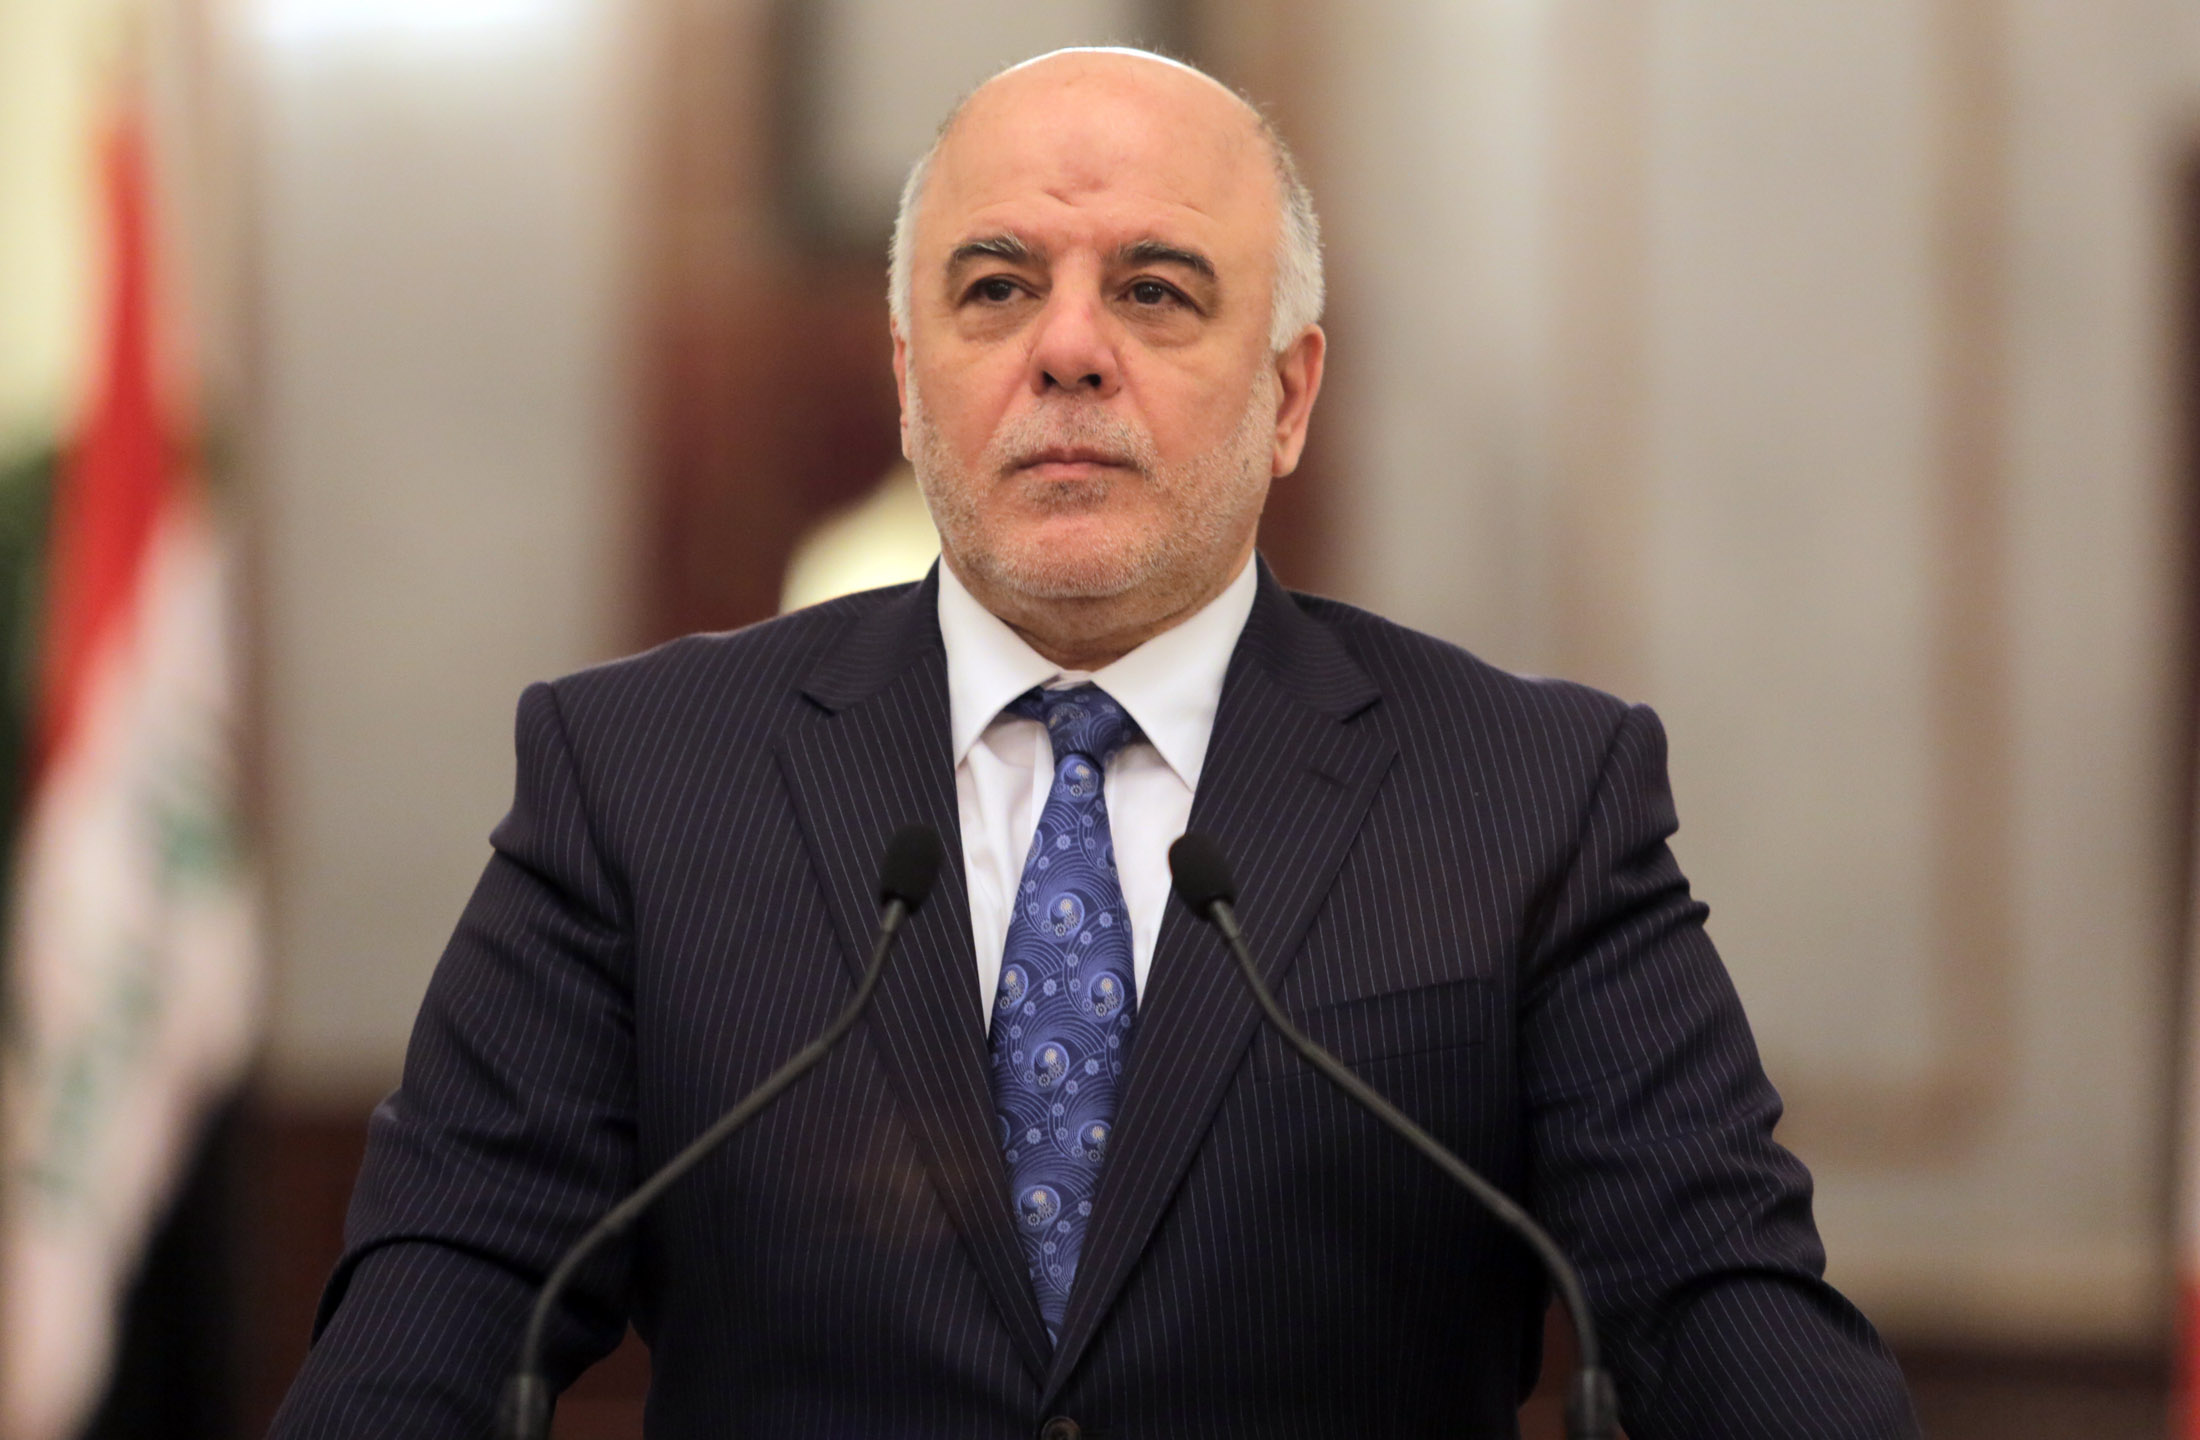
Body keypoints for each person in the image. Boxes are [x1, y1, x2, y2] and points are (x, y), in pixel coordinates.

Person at [270, 47, 1919, 1440]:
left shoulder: (1531, 799)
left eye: (1154, 289)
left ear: (1289, 397)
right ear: (910, 381)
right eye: (997, 289)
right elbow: (442, 1307)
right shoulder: (638, 779)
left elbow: (1720, 1311)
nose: (1067, 349)